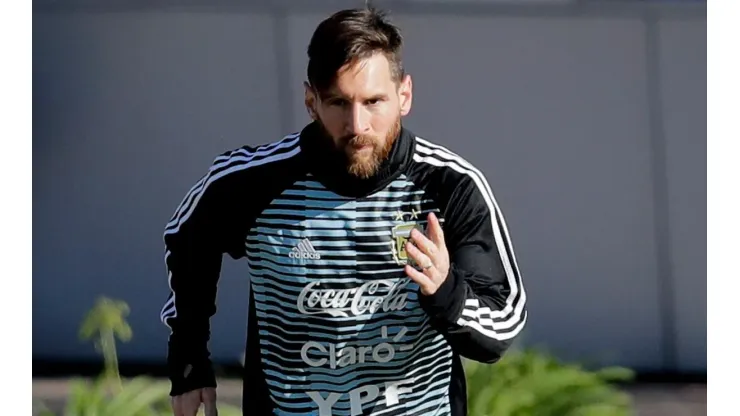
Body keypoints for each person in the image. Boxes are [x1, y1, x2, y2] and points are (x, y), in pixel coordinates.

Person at [160, 7, 527, 416]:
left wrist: (444, 291)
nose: (357, 124)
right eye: (338, 102)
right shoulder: (250, 183)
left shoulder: (451, 186)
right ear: (310, 101)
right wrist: (189, 362)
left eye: (374, 101)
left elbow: (503, 324)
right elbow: (187, 243)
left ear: (404, 96)